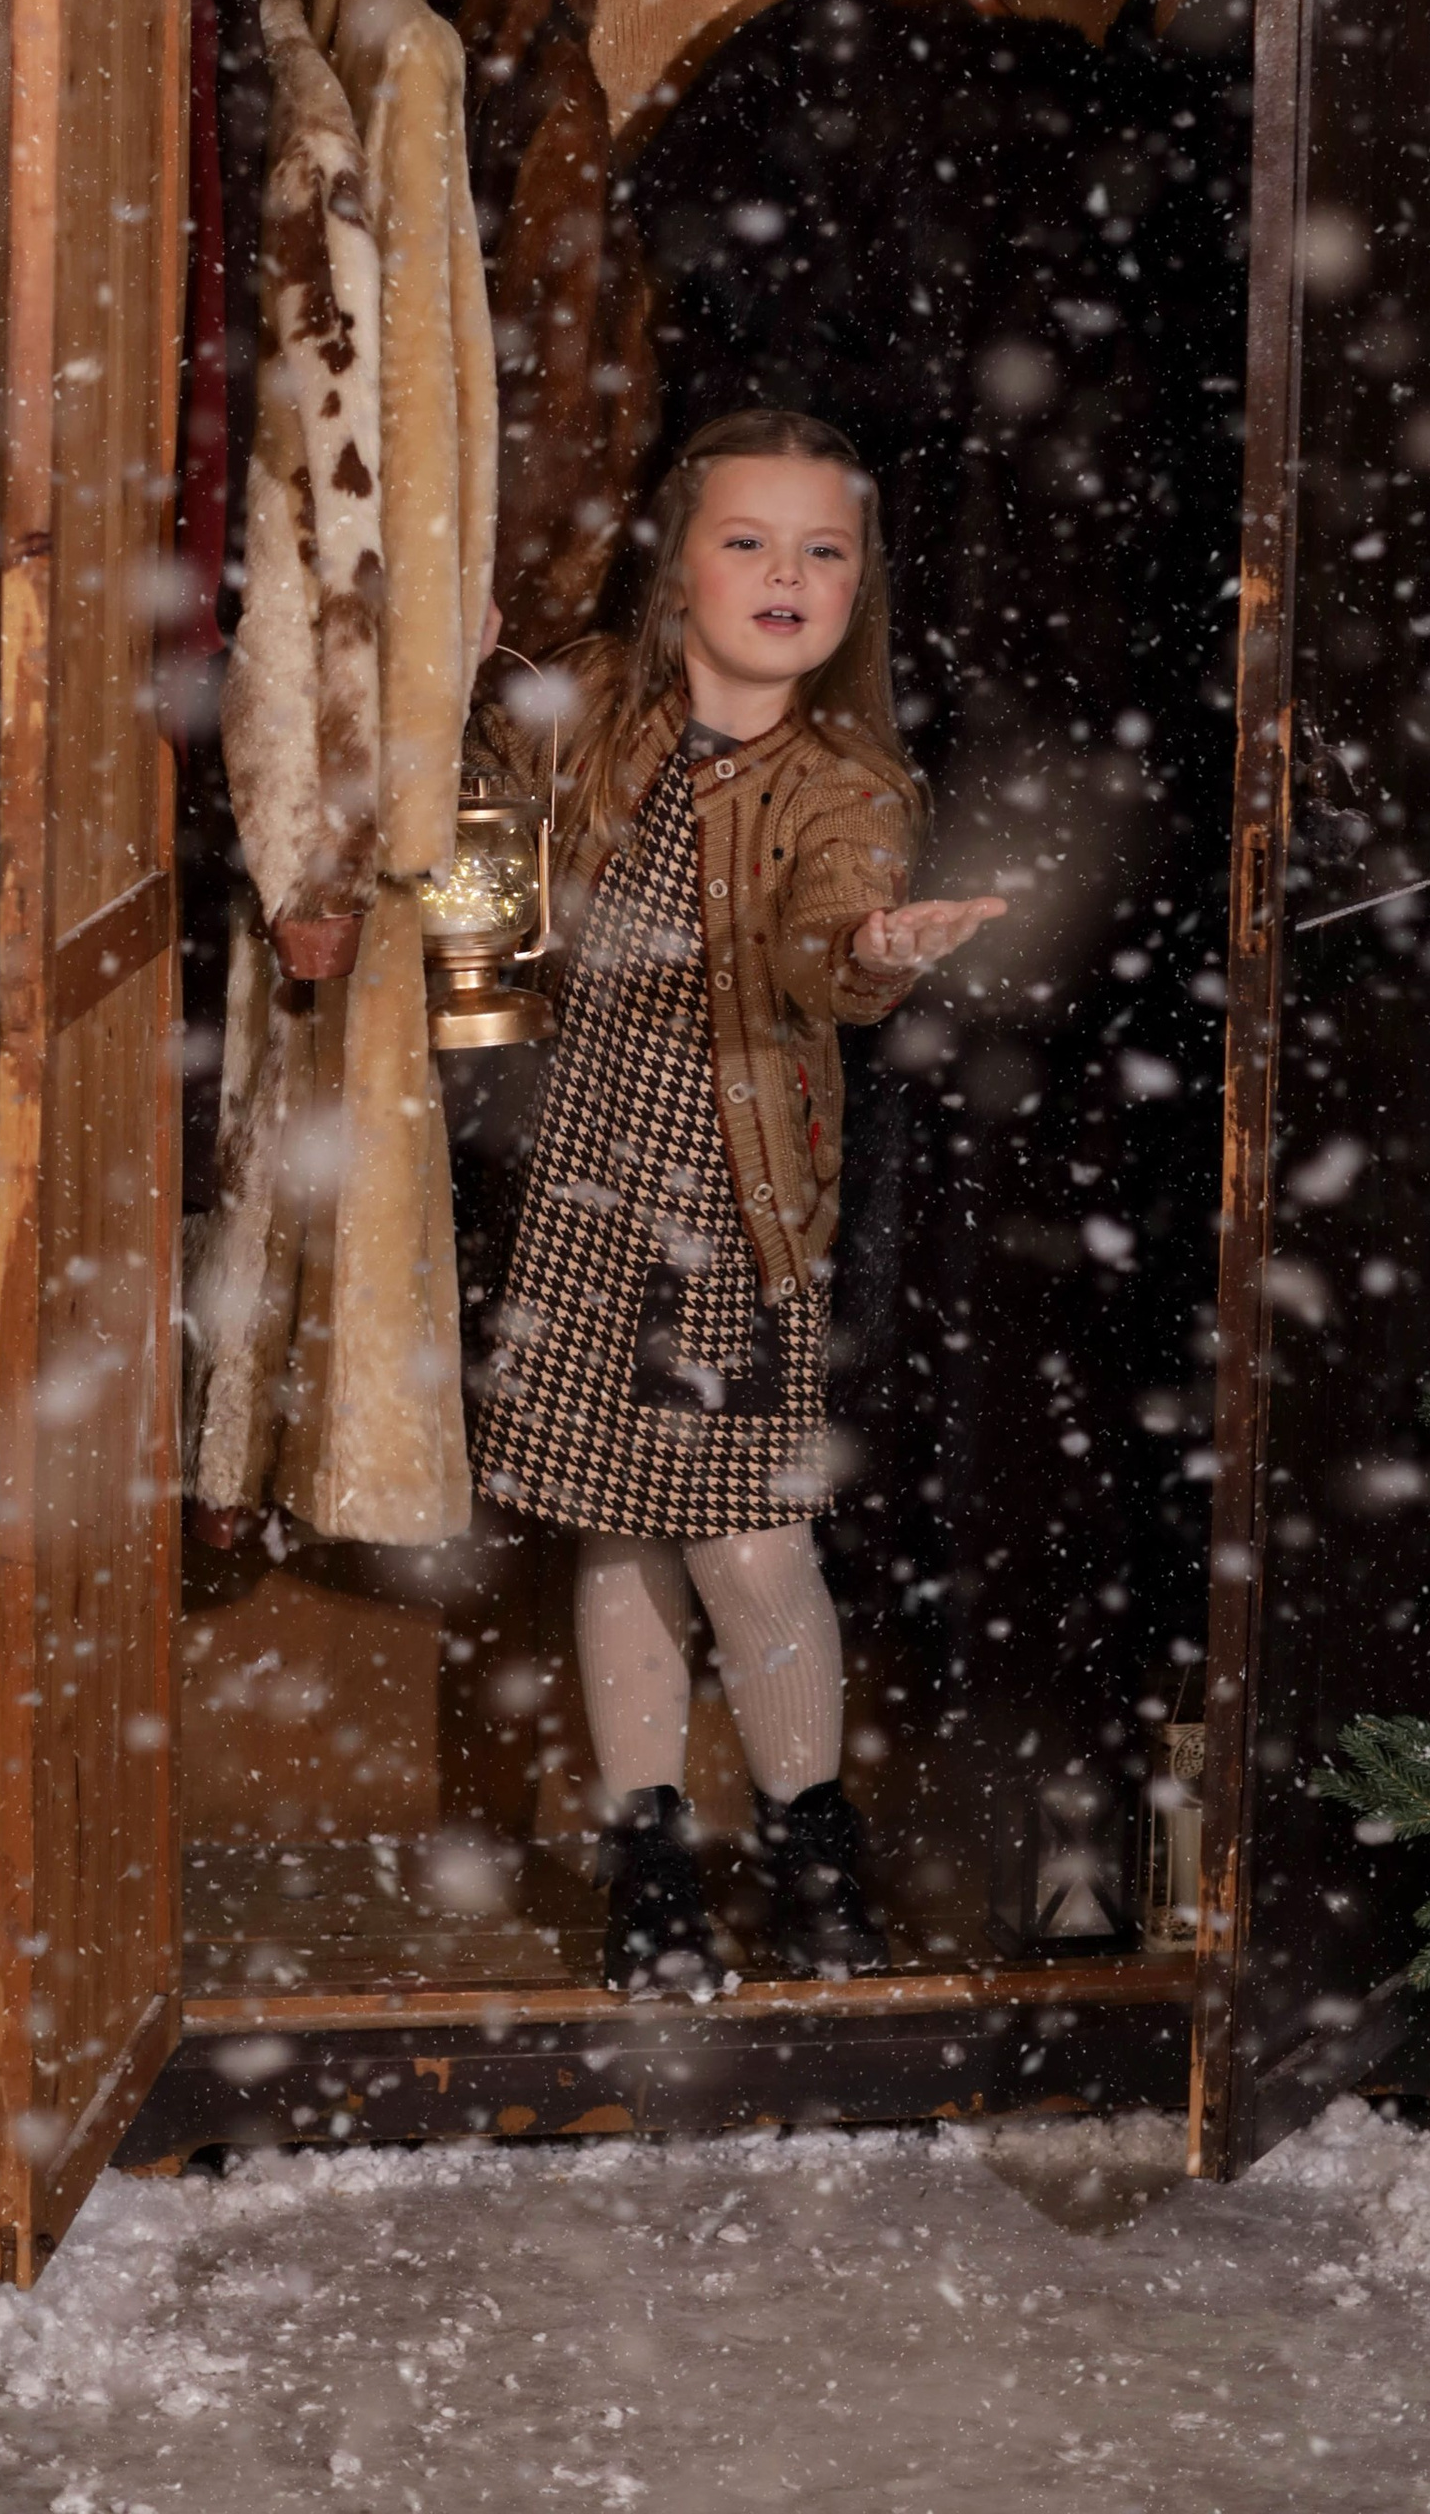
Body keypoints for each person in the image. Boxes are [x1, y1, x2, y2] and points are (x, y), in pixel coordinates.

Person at [469, 409, 1004, 1991]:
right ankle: (647, 1855)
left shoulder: (843, 780)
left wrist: (876, 956)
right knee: (620, 1531)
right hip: (581, 1193)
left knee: (754, 1544)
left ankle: (807, 1842)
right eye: (750, 541)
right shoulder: (606, 718)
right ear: (678, 565)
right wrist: (457, 673)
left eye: (824, 550)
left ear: (860, 588)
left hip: (730, 1213)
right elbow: (483, 772)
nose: (787, 575)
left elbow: (825, 941)